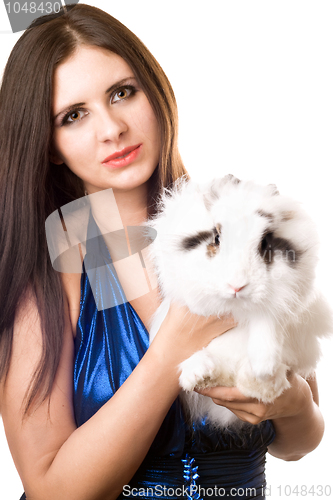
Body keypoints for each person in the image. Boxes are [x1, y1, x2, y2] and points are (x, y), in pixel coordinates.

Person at [0, 4, 325, 500]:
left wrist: (294, 404)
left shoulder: (238, 215)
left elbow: (299, 443)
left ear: (155, 89)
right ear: (49, 144)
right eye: (74, 115)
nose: (111, 129)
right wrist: (170, 350)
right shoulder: (53, 259)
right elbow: (51, 491)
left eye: (121, 92)